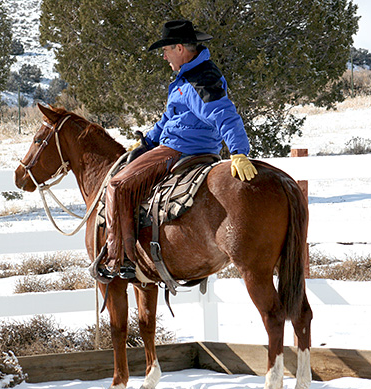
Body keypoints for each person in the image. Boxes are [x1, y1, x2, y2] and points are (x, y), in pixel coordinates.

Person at [101, 19, 257, 276]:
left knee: (117, 185)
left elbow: (224, 113)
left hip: (180, 150)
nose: (164, 57)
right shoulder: (188, 78)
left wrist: (239, 151)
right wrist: (147, 142)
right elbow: (169, 119)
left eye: (166, 50)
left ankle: (117, 259)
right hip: (195, 148)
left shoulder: (200, 80)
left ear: (180, 48)